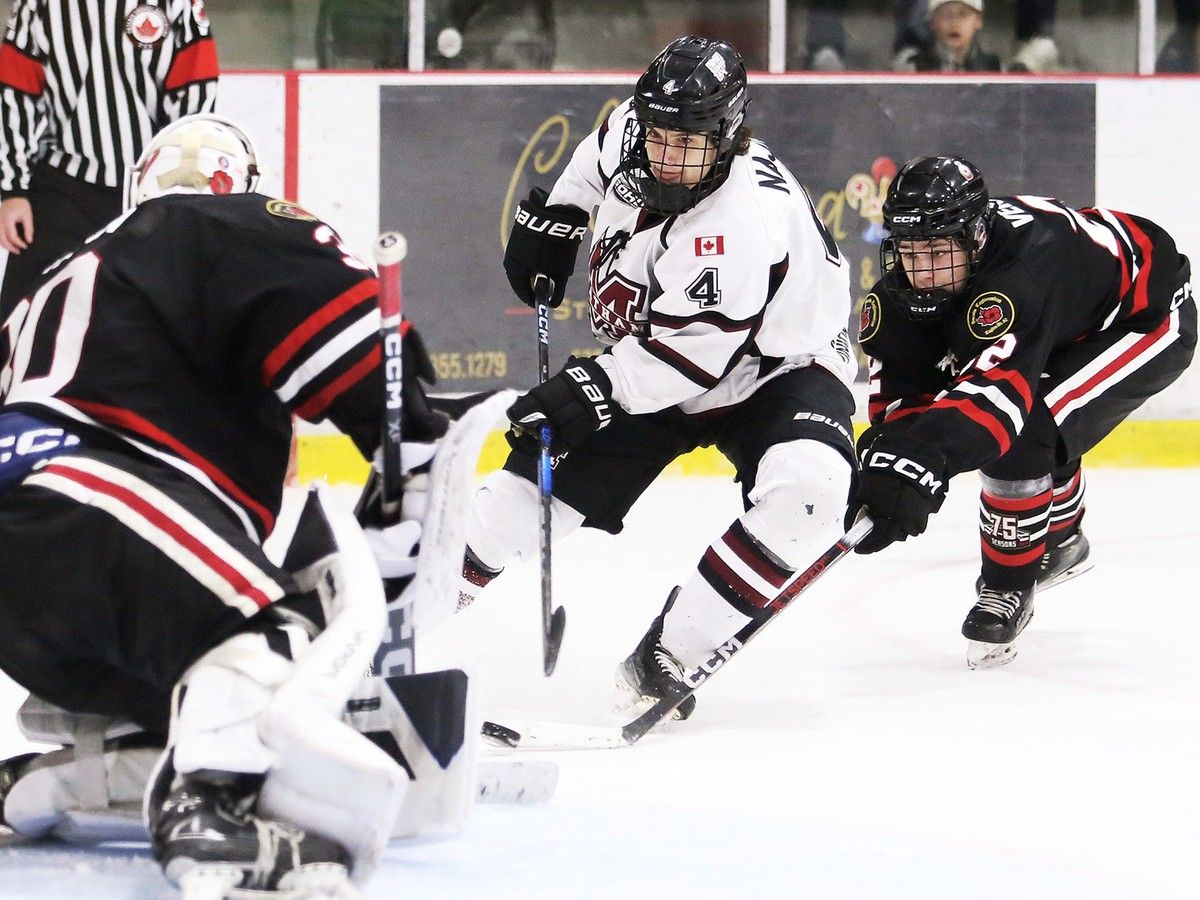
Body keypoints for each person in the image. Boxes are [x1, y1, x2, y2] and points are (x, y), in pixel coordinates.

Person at [0, 114, 471, 896]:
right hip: (89, 498)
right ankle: (210, 811)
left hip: (44, 551)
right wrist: (413, 441)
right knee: (273, 638)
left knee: (197, 686)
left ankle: (47, 782)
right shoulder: (229, 221)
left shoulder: (62, 275)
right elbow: (349, 331)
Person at [461, 35, 858, 720]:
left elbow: (686, 360)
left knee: (811, 491)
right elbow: (595, 157)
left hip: (776, 367)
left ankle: (671, 652)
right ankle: (389, 633)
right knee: (520, 501)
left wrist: (589, 391)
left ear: (728, 137)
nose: (668, 155)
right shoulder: (642, 129)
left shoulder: (738, 223)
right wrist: (559, 214)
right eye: (658, 136)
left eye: (689, 143)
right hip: (660, 353)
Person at [849, 156, 1196, 668]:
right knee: (1038, 422)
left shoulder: (1018, 279)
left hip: (1144, 315)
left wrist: (926, 459)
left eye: (939, 251)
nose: (922, 272)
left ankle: (1007, 587)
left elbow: (996, 406)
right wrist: (892, 462)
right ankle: (1063, 538)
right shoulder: (905, 293)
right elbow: (906, 395)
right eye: (910, 251)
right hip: (1066, 319)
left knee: (1029, 428)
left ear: (976, 238)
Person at [0, 0, 218, 316]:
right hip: (62, 188)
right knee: (18, 322)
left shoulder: (174, 2)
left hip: (152, 194)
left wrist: (182, 186)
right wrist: (13, 190)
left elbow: (196, 88)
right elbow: (15, 90)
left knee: (157, 322)